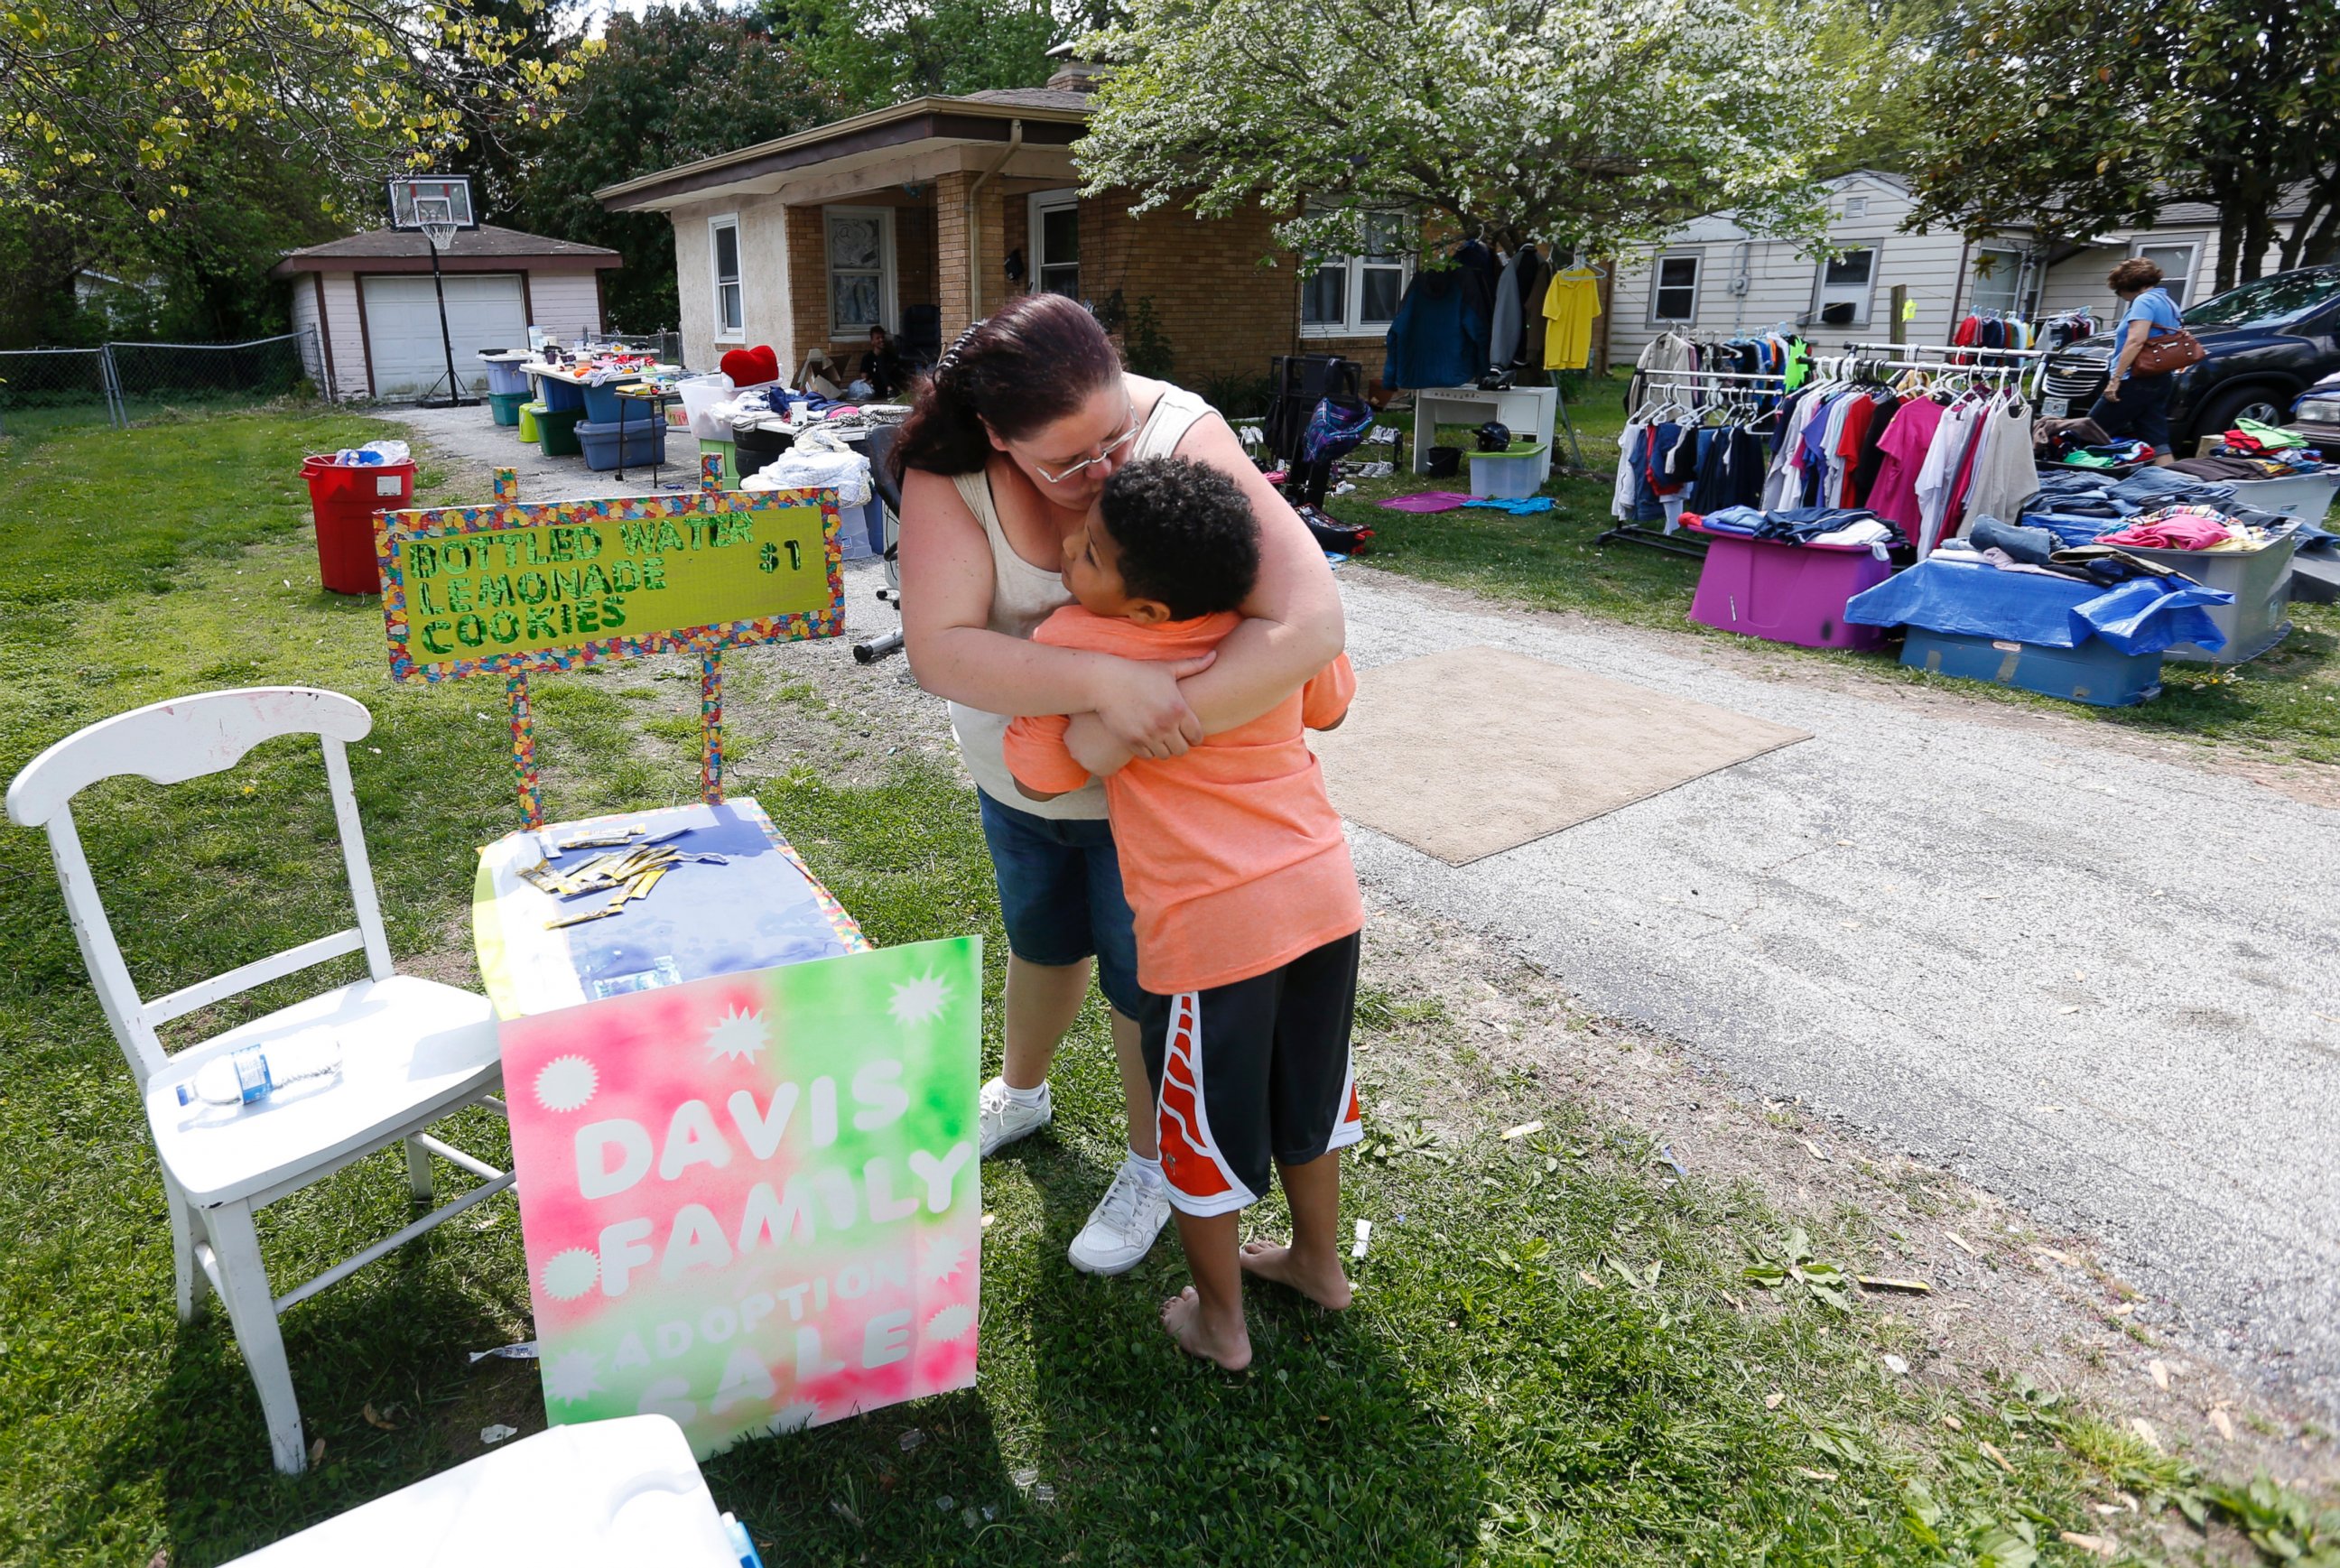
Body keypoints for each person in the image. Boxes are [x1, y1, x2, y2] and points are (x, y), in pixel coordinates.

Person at [891, 292, 1345, 1276]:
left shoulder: (1180, 429)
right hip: (1014, 785)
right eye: (1069, 462)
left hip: (1165, 811)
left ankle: (1149, 1162)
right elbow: (941, 650)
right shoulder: (947, 472)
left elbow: (1309, 625)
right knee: (1041, 943)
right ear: (993, 438)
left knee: (1147, 993)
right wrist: (1105, 678)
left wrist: (1112, 739)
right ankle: (1023, 1091)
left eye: (1116, 437)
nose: (1107, 472)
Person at [1001, 456, 1360, 1369]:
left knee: (1194, 1131)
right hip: (1322, 897)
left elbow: (1039, 770)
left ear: (1148, 608)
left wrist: (1097, 695)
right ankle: (1320, 1265)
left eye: (1086, 551)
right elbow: (1332, 698)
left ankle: (1220, 1323)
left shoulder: (1081, 639)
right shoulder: (1270, 623)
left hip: (1212, 929)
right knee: (1305, 1097)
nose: (1067, 551)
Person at [2090, 257, 2186, 469]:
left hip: (2134, 378)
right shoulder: (2168, 302)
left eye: (2118, 291)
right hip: (2160, 377)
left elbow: (2136, 340)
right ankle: (2171, 485)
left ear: (2126, 285)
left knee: (2090, 430)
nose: (2121, 297)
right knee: (2157, 438)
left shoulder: (2144, 301)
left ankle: (2073, 479)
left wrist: (2116, 379)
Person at [861, 327, 905, 401]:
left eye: (882, 337)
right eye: (878, 338)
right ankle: (889, 389)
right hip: (876, 388)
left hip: (891, 387)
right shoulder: (867, 358)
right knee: (880, 358)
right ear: (872, 341)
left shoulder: (890, 356)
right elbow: (864, 379)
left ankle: (890, 389)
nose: (881, 340)